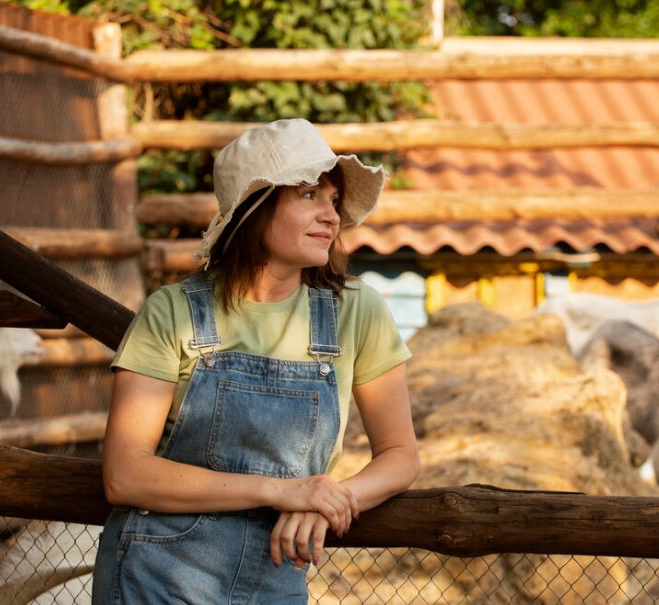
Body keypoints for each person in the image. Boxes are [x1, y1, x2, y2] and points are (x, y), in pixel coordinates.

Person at [93, 118, 420, 604]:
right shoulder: (174, 311)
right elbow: (125, 474)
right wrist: (282, 491)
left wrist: (329, 500)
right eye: (309, 194)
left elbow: (401, 456)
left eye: (332, 199)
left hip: (278, 576)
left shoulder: (358, 311)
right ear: (253, 210)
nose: (331, 215)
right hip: (156, 574)